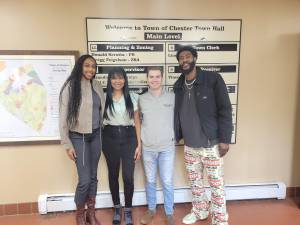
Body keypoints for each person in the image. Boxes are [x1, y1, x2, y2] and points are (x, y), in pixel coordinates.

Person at [173, 45, 233, 225]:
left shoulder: (212, 79)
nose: (184, 60)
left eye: (187, 56)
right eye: (181, 58)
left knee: (216, 186)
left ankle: (220, 220)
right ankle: (200, 211)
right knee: (196, 184)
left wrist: (224, 140)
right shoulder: (179, 85)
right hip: (190, 146)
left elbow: (225, 109)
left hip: (211, 145)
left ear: (195, 58)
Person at [59, 54, 105, 225]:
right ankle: (80, 215)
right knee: (84, 180)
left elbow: (102, 111)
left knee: (93, 177)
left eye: (93, 66)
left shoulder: (97, 85)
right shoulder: (70, 86)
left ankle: (91, 214)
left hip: (96, 135)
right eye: (87, 65)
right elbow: (63, 118)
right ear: (80, 66)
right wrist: (67, 144)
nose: (90, 69)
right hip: (78, 137)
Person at [102, 67, 141, 225]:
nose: (117, 81)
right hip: (109, 137)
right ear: (109, 80)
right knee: (113, 174)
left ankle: (128, 209)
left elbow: (137, 121)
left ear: (125, 80)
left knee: (127, 176)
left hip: (129, 137)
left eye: (120, 78)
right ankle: (117, 207)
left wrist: (139, 144)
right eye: (114, 78)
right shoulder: (104, 97)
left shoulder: (133, 97)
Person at [139, 67, 176, 225]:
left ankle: (169, 213)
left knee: (167, 181)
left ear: (162, 78)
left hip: (167, 147)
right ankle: (151, 210)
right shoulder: (141, 99)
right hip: (148, 147)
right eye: (151, 77)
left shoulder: (173, 97)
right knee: (150, 181)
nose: (154, 79)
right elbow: (137, 121)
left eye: (157, 76)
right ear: (147, 79)